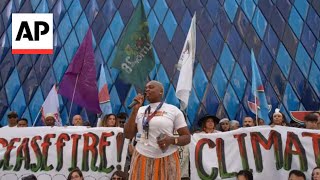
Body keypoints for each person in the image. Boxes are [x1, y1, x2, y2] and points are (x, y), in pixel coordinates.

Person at [124, 80, 191, 180]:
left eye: (151, 87)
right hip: (142, 156)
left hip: (167, 158)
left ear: (161, 91)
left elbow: (187, 137)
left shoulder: (173, 110)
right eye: (146, 88)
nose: (147, 89)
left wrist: (171, 140)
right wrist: (135, 110)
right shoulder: (140, 110)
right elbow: (128, 135)